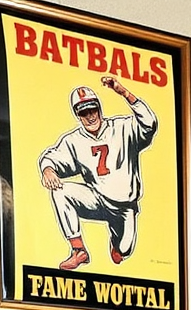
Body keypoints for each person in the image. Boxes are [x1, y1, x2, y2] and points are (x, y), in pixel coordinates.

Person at [39, 77, 158, 271]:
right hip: (96, 199)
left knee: (123, 252)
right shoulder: (74, 139)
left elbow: (149, 123)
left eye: (92, 109)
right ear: (78, 115)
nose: (90, 116)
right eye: (84, 112)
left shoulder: (122, 127)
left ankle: (116, 239)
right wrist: (48, 169)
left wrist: (124, 93)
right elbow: (51, 157)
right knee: (60, 191)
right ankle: (78, 250)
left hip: (125, 206)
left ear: (99, 108)